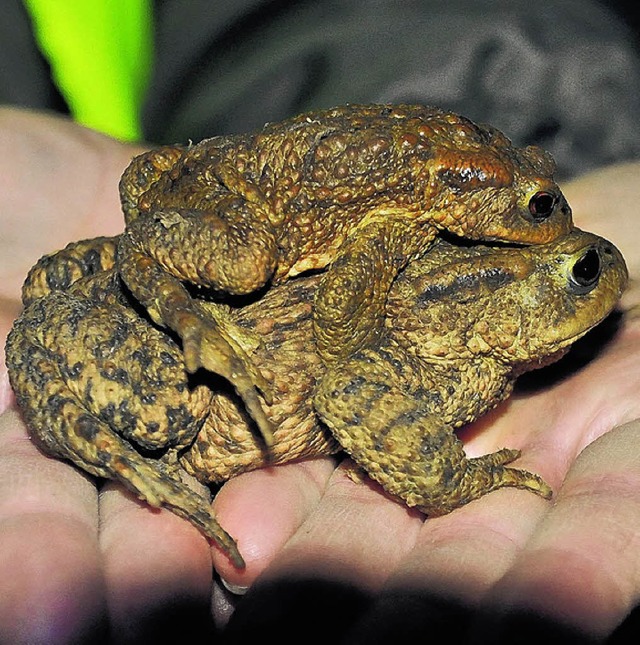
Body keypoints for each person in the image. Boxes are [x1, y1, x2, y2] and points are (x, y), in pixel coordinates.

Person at [2, 1, 640, 642]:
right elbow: (346, 388)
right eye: (581, 271)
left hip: (212, 221)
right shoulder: (435, 346)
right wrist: (450, 480)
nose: (601, 269)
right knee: (163, 409)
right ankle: (98, 425)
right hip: (172, 347)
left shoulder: (437, 290)